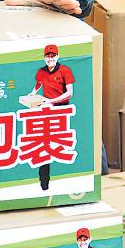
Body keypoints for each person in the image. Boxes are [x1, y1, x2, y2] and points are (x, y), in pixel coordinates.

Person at [30, 43, 75, 190]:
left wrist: (52, 101)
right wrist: (33, 93)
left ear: (58, 56)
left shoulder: (64, 71)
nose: (50, 58)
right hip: (47, 110)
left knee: (59, 144)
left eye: (53, 55)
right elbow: (38, 83)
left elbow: (69, 93)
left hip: (61, 111)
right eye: (48, 56)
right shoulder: (41, 72)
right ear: (44, 58)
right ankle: (44, 182)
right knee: (44, 145)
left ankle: (72, 179)